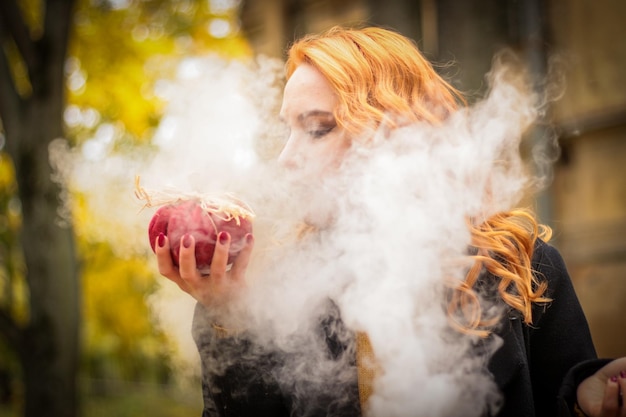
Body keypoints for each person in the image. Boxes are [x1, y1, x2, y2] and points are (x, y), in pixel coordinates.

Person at [153, 26, 626, 417]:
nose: (285, 158)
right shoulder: (285, 291)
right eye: (287, 128)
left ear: (393, 135)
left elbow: (561, 393)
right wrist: (230, 316)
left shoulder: (522, 268)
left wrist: (585, 400)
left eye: (317, 128)